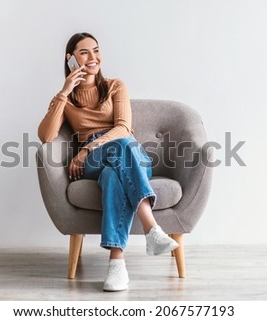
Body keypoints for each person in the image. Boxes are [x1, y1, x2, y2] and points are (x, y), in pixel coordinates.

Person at [38, 32, 179, 292]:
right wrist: (65, 91)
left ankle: (117, 264)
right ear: (70, 59)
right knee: (120, 151)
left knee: (117, 168)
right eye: (84, 52)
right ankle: (152, 230)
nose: (93, 57)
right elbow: (46, 135)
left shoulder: (116, 85)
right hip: (94, 160)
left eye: (96, 50)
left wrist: (86, 148)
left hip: (130, 155)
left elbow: (124, 127)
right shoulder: (65, 99)